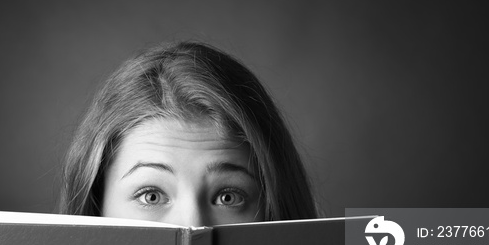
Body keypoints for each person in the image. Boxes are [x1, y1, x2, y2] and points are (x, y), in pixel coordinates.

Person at [58, 40, 317, 226]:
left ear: (274, 209)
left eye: (228, 197)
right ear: (96, 207)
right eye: (151, 196)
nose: (193, 226)